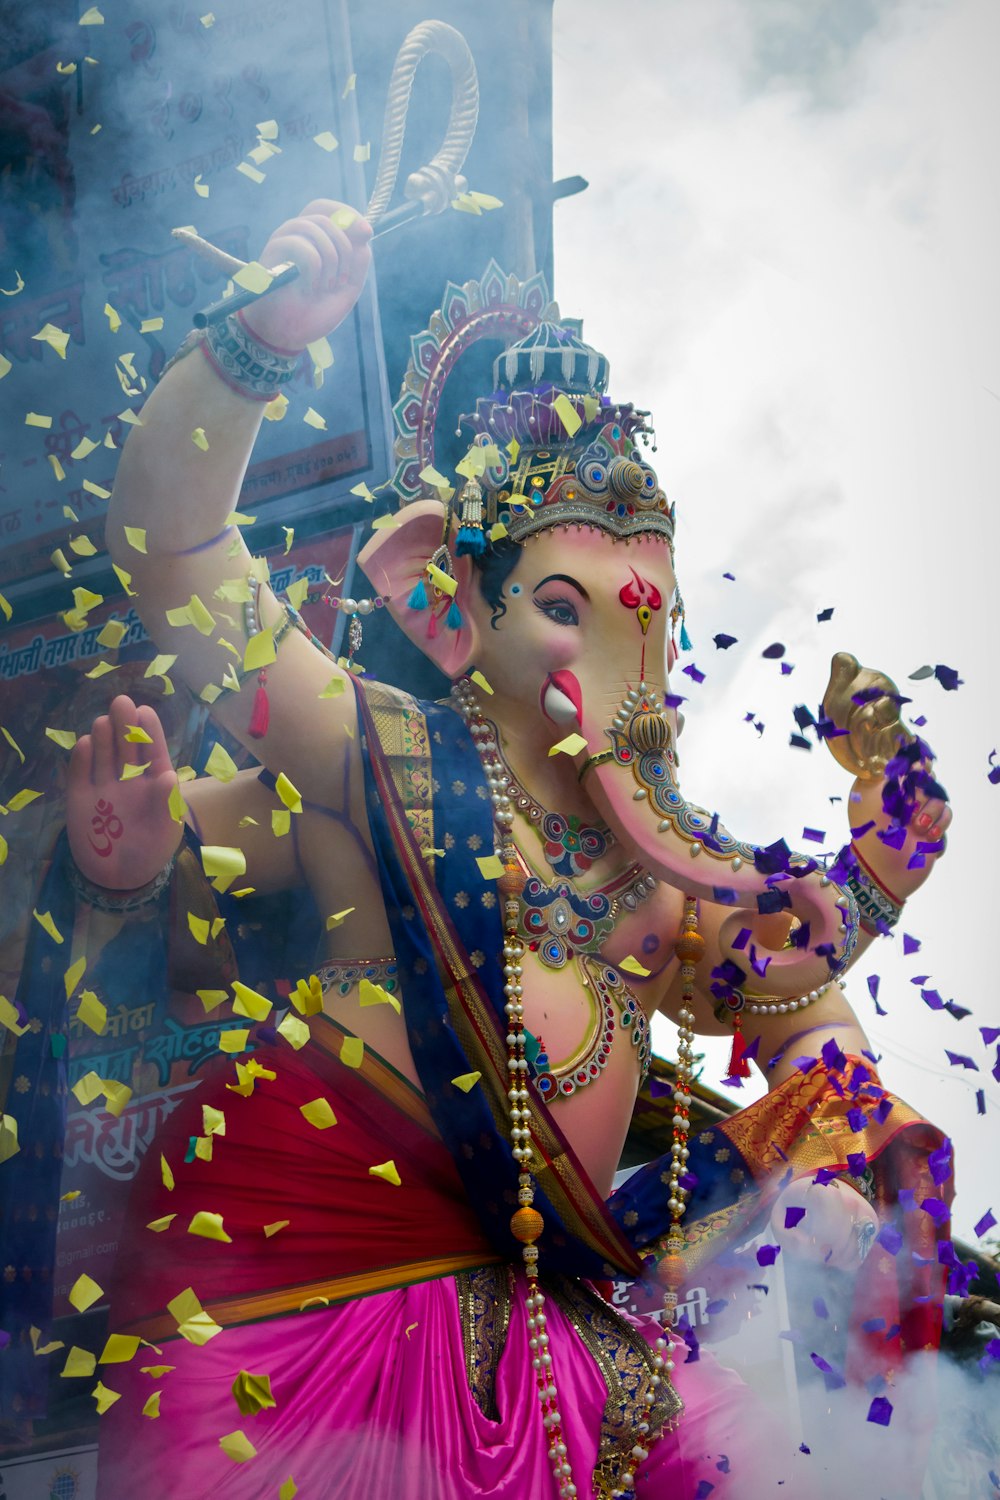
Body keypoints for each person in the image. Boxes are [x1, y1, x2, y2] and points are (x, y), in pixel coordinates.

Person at [22, 199, 952, 1497]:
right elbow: (178, 555)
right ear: (449, 599)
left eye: (649, 622)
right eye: (565, 611)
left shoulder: (666, 871)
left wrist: (834, 1156)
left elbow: (805, 1007)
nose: (620, 666)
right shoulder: (375, 754)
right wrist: (252, 350)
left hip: (564, 1344)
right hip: (318, 1302)